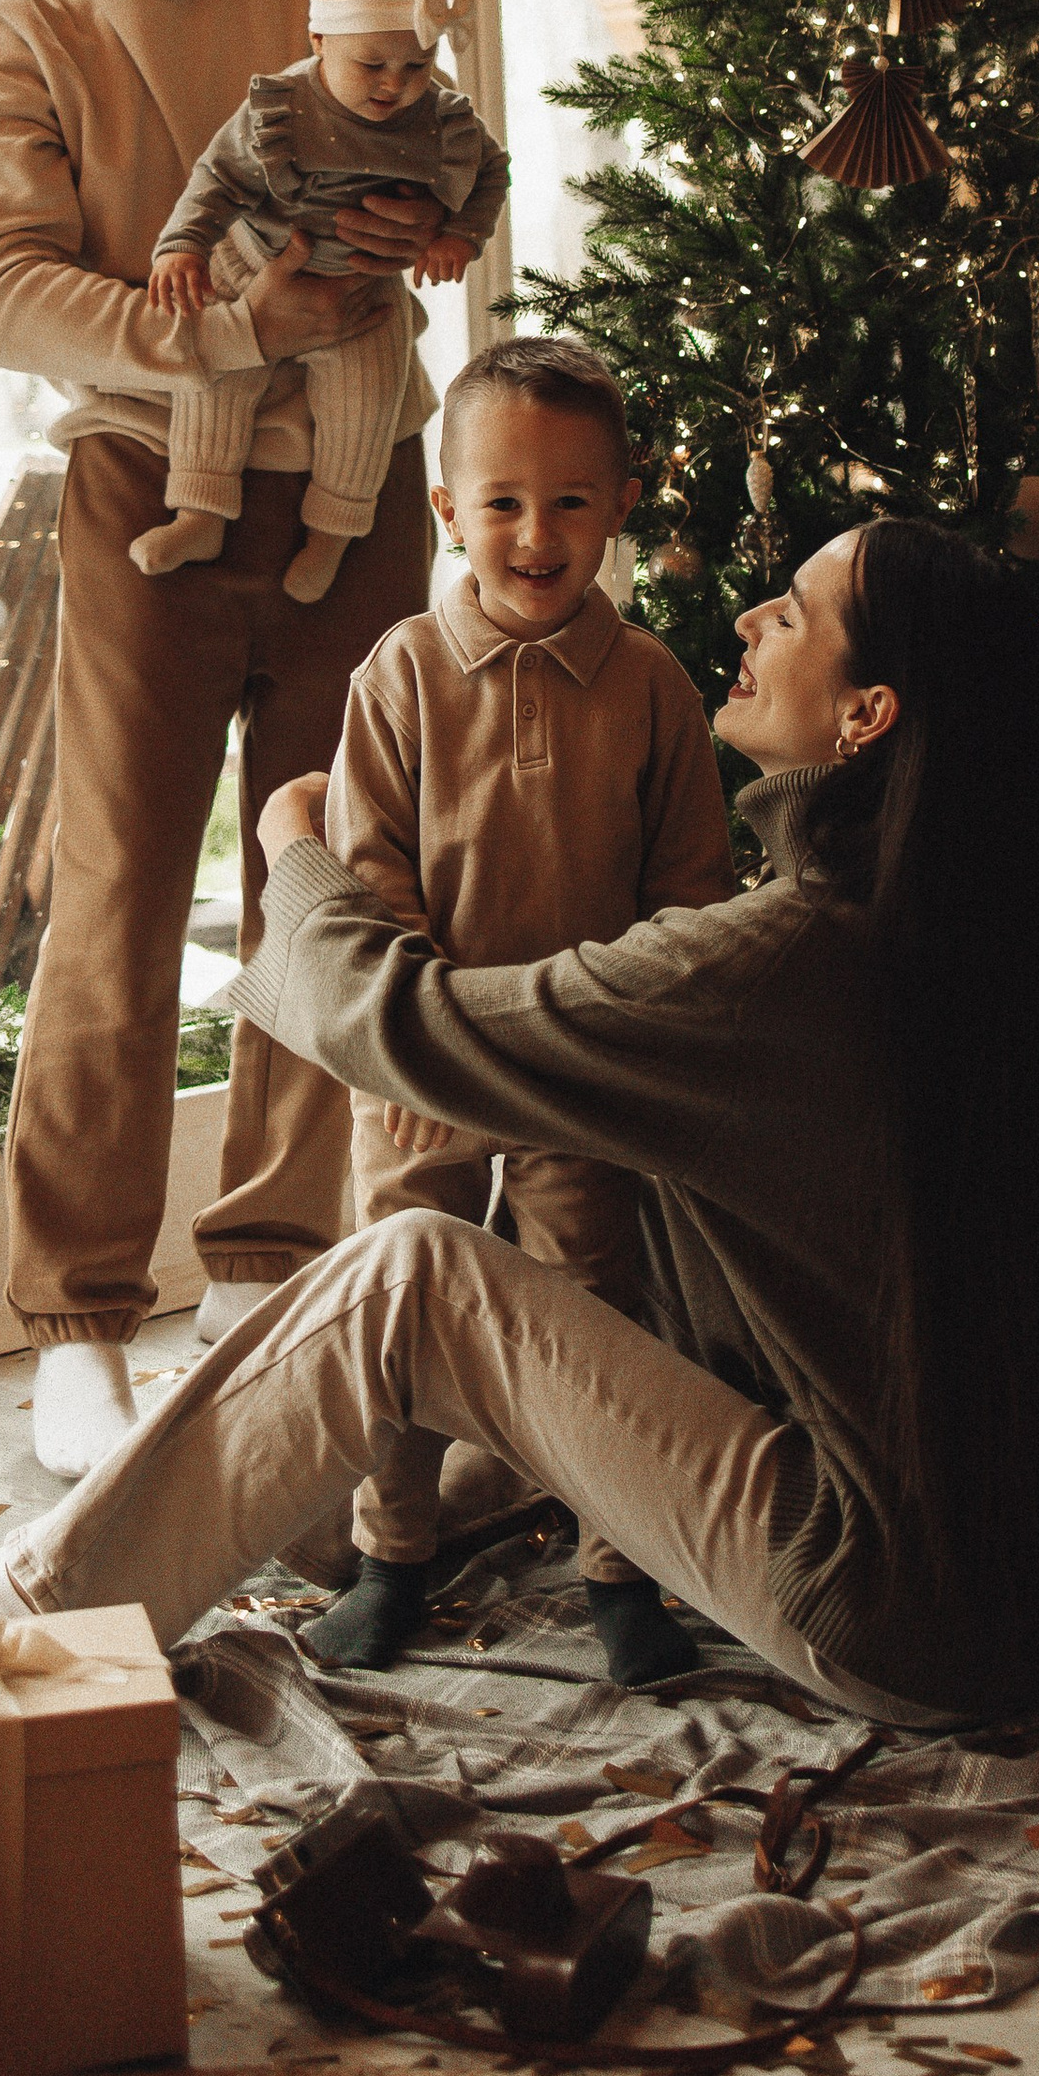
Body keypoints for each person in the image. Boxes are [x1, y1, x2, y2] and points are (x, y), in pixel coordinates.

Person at [0, 514, 1039, 1723]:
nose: (750, 617)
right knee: (570, 1241)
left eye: (796, 609)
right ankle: (289, 1530)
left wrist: (293, 847)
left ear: (866, 716)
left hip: (886, 1609)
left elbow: (408, 1025)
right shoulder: (959, 935)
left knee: (409, 1276)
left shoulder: (786, 961)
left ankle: (15, 1609)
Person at [0, 0, 443, 1483]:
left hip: (367, 489)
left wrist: (433, 226)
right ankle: (78, 1321)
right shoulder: (23, 34)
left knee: (332, 885)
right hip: (147, 489)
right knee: (116, 898)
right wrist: (235, 324)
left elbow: (461, 154)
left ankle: (282, 1272)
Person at [304, 334, 733, 1682]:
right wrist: (416, 1020)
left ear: (620, 506)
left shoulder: (654, 685)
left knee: (595, 1311)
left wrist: (628, 1028)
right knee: (404, 1306)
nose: (534, 535)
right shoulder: (401, 675)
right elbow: (368, 872)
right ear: (449, 513)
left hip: (580, 1066)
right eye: (500, 502)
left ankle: (620, 1568)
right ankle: (395, 1551)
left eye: (567, 503)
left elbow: (690, 889)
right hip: (427, 1060)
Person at [145, 0, 508, 606]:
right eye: (371, 64)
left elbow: (491, 175)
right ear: (319, 37)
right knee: (215, 377)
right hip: (253, 263)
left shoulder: (440, 120)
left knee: (366, 408)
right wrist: (183, 247)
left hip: (365, 292)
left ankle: (332, 537)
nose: (393, 85)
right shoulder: (283, 108)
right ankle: (198, 512)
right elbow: (215, 179)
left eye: (416, 65)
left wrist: (460, 235)